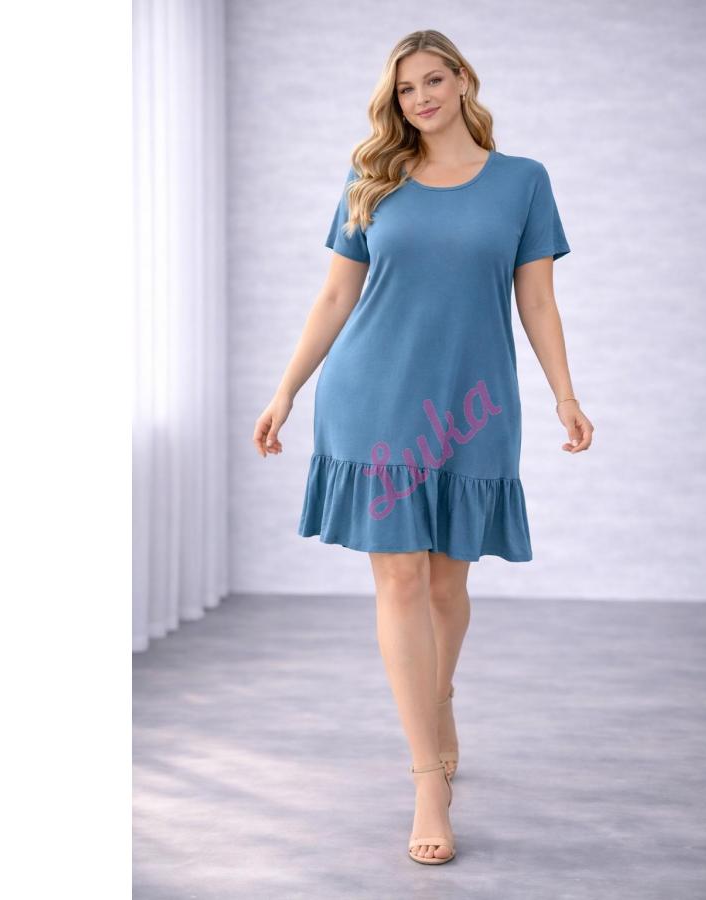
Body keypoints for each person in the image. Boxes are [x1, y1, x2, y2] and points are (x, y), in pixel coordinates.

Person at [253, 29, 594, 865]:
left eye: (433, 80)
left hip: (471, 402)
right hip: (372, 394)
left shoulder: (523, 181)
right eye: (406, 90)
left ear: (463, 79)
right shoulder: (372, 175)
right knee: (401, 576)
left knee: (447, 584)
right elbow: (337, 295)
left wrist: (564, 393)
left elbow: (537, 302)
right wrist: (286, 389)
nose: (421, 99)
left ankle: (438, 699)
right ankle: (426, 781)